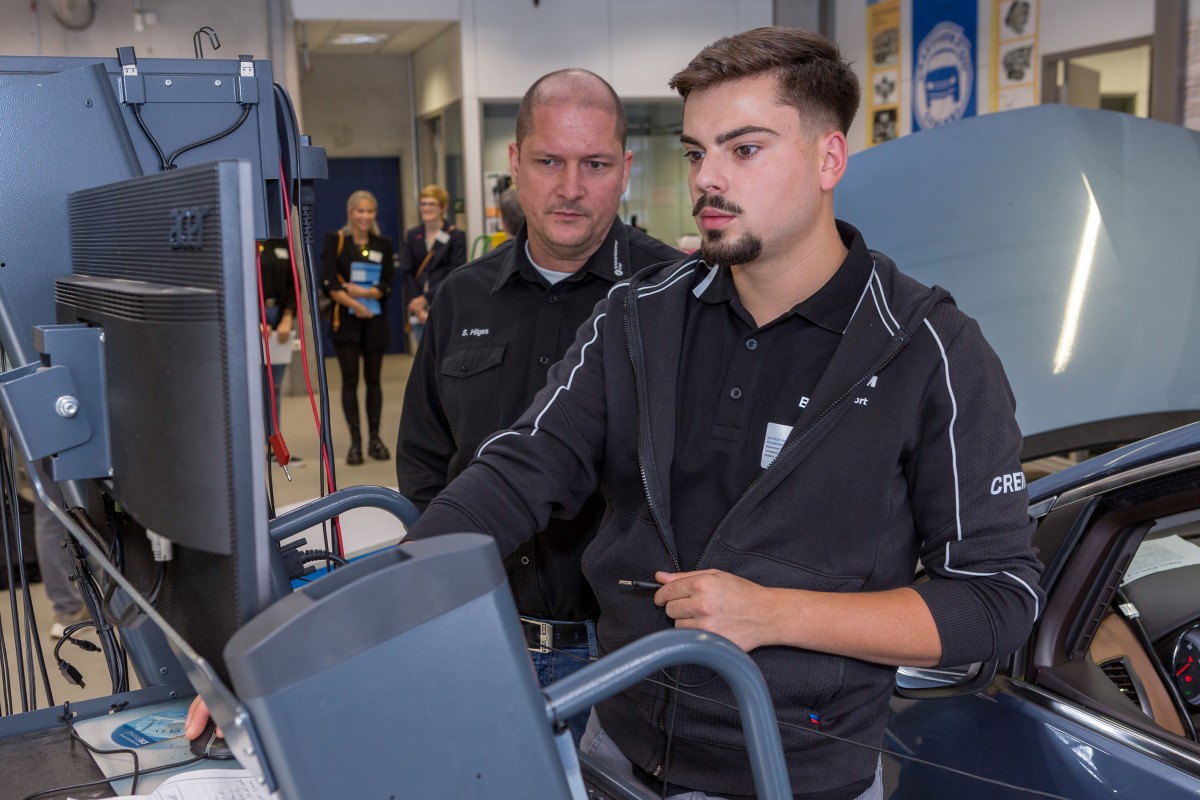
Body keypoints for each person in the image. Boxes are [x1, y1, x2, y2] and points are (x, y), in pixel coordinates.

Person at [405, 27, 1044, 800]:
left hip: (798, 777)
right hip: (617, 747)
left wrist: (774, 613)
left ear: (828, 159)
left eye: (744, 150)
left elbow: (996, 597)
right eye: (698, 151)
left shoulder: (929, 351)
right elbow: (514, 474)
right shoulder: (637, 320)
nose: (709, 178)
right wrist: (354, 624)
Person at [395, 68, 681, 745]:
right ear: (515, 164)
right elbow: (425, 464)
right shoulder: (463, 299)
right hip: (488, 641)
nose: (572, 187)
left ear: (625, 170)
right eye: (550, 161)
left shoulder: (673, 298)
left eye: (596, 163)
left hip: (625, 658)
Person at [321, 190, 395, 465]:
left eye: (369, 211)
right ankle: (356, 442)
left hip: (375, 323)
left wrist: (363, 296)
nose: (365, 216)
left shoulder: (383, 244)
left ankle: (375, 439)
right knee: (350, 381)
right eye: (359, 211)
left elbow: (387, 284)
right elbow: (328, 282)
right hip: (347, 324)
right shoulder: (337, 240)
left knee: (374, 381)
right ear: (350, 213)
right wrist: (354, 301)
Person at [399, 184, 467, 345]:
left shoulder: (456, 236)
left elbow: (454, 273)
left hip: (444, 302)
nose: (426, 208)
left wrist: (426, 299)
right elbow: (406, 271)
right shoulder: (412, 235)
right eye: (423, 204)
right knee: (423, 358)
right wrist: (417, 303)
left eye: (431, 204)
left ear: (443, 208)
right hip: (417, 308)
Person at [258, 239, 302, 467]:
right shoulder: (242, 234)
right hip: (252, 320)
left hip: (279, 321)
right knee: (253, 388)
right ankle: (254, 449)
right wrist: (254, 318)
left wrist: (287, 316)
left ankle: (274, 451)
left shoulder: (281, 241)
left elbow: (295, 283)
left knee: (273, 387)